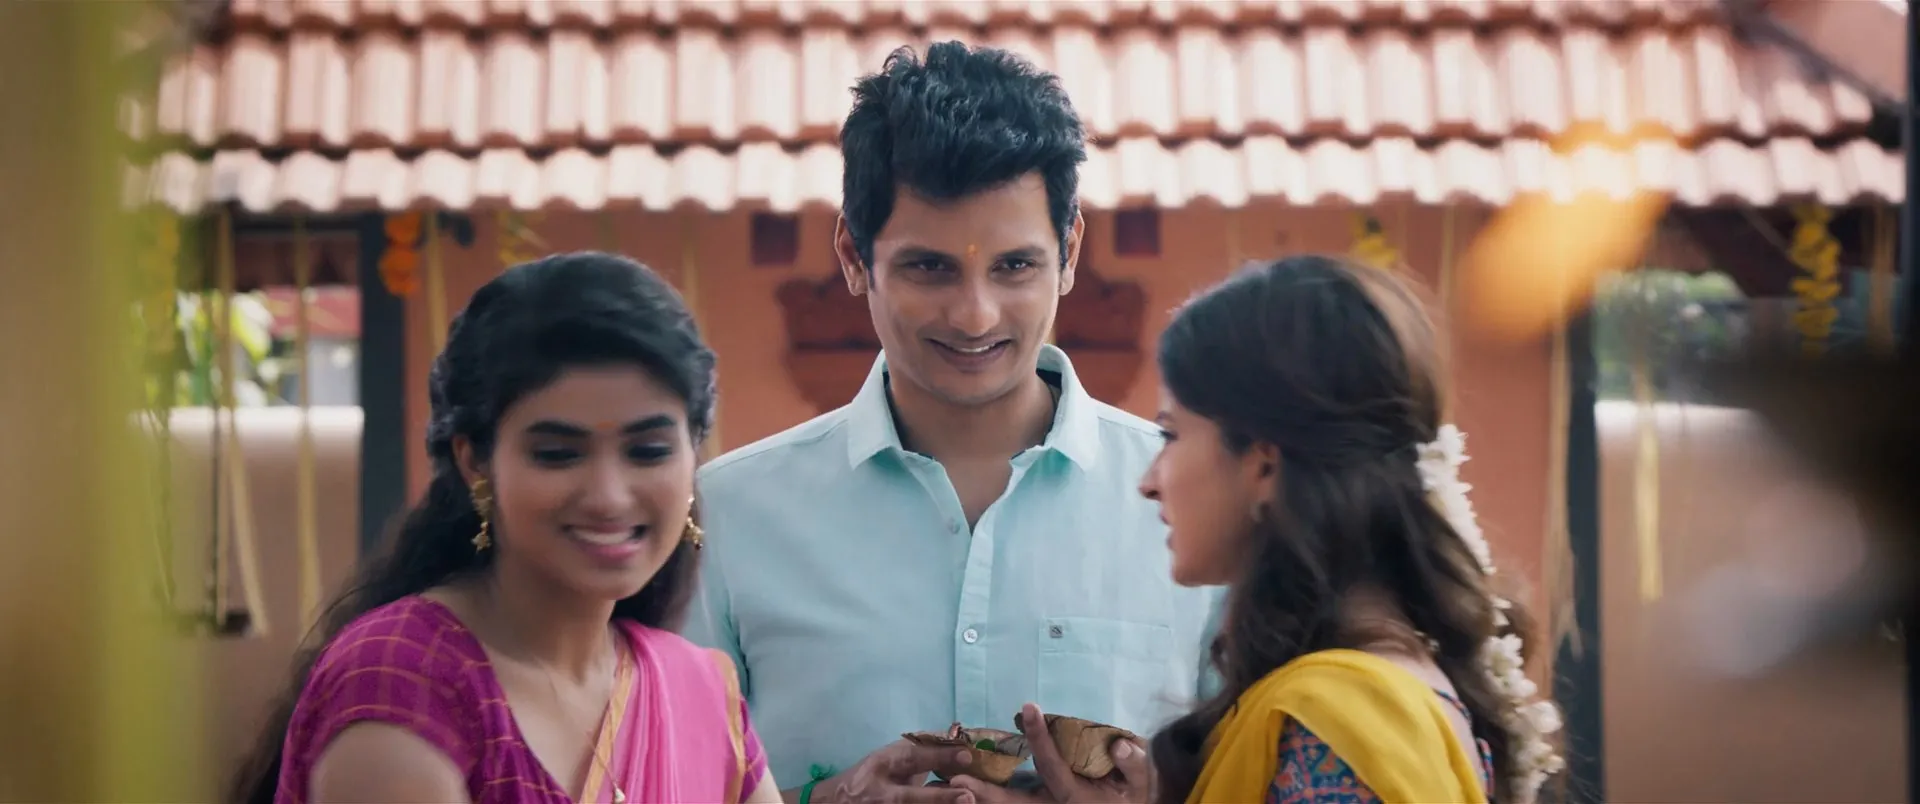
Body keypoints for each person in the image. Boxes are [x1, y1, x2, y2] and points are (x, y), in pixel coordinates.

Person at [685, 42, 1219, 804]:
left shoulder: (1195, 509)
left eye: (1014, 266)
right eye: (930, 267)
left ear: (1069, 252)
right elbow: (662, 779)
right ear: (853, 256)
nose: (975, 315)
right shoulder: (729, 519)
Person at [229, 253, 781, 804]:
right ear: (475, 463)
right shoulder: (404, 682)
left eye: (650, 451)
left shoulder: (700, 692)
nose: (609, 497)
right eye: (557, 454)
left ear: (693, 452)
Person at [1128, 255, 1565, 804]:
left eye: (1170, 436)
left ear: (1264, 464)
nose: (1149, 482)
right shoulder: (1371, 691)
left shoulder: (1334, 734)